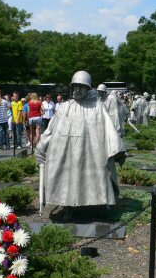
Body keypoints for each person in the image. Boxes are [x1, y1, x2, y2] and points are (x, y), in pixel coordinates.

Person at [35, 71, 126, 219]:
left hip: (92, 153)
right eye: (75, 86)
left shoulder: (98, 107)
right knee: (67, 178)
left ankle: (101, 202)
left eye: (81, 87)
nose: (77, 90)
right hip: (68, 152)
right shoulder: (64, 107)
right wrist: (41, 146)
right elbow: (51, 129)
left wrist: (119, 150)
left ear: (88, 88)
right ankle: (68, 206)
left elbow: (109, 130)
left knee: (98, 175)